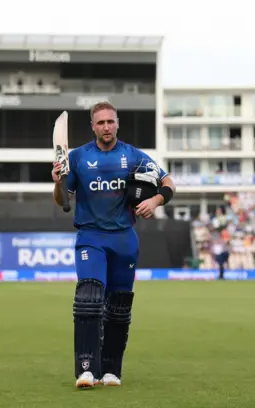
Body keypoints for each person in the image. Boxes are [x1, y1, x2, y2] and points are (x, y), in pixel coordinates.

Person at [51, 102, 176, 389]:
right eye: (100, 123)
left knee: (119, 308)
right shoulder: (79, 157)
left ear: (117, 123)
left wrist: (154, 201)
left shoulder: (133, 156)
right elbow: (62, 202)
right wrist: (58, 182)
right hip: (91, 237)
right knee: (89, 298)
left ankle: (110, 371)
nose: (106, 127)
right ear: (93, 127)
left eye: (110, 121)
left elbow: (168, 182)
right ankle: (85, 370)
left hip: (124, 239)